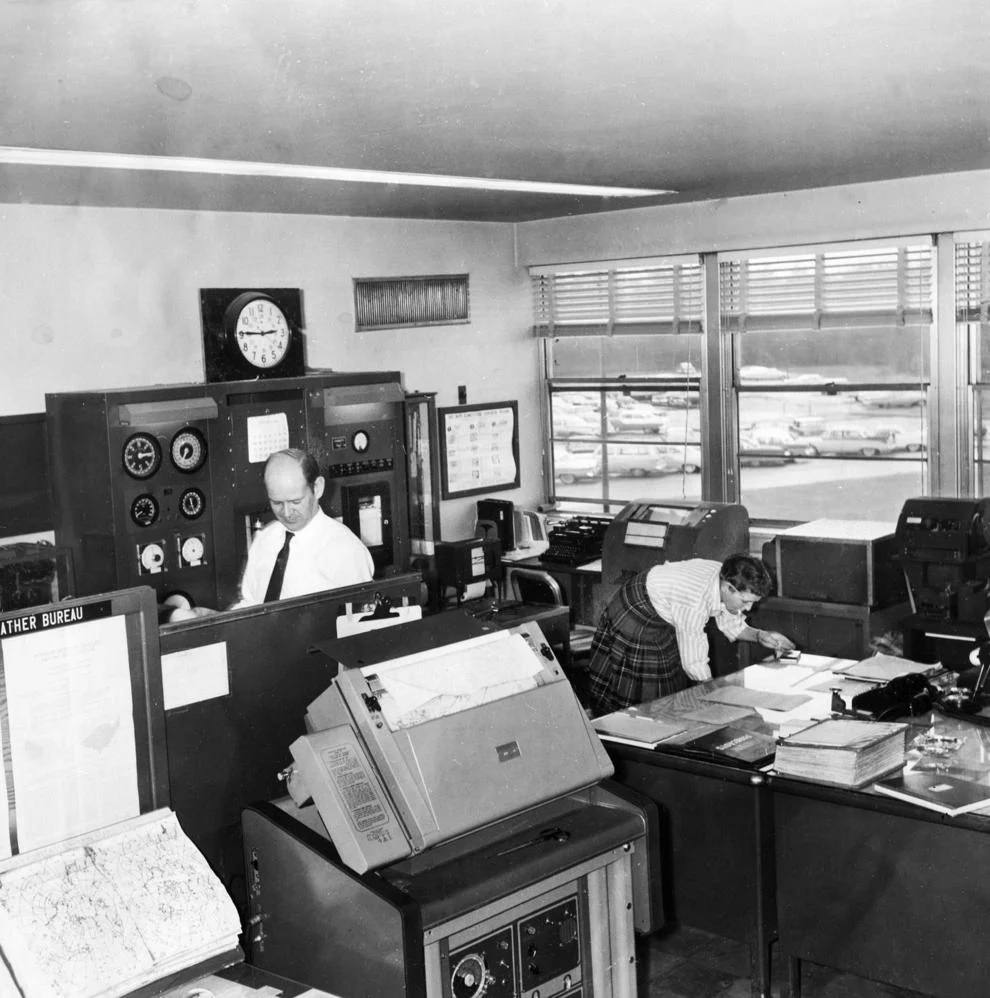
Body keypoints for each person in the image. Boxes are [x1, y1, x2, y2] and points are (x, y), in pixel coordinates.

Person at [169, 448, 374, 620]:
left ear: (317, 488)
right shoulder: (267, 538)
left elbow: (362, 621)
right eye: (276, 503)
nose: (286, 513)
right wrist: (218, 620)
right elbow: (252, 603)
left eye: (295, 502)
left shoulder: (345, 549)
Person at [586, 553, 795, 716]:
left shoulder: (725, 579)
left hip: (664, 609)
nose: (748, 609)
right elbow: (693, 663)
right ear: (728, 587)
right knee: (637, 700)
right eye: (745, 601)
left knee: (665, 690)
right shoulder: (694, 600)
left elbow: (731, 622)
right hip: (637, 609)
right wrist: (717, 695)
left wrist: (759, 636)